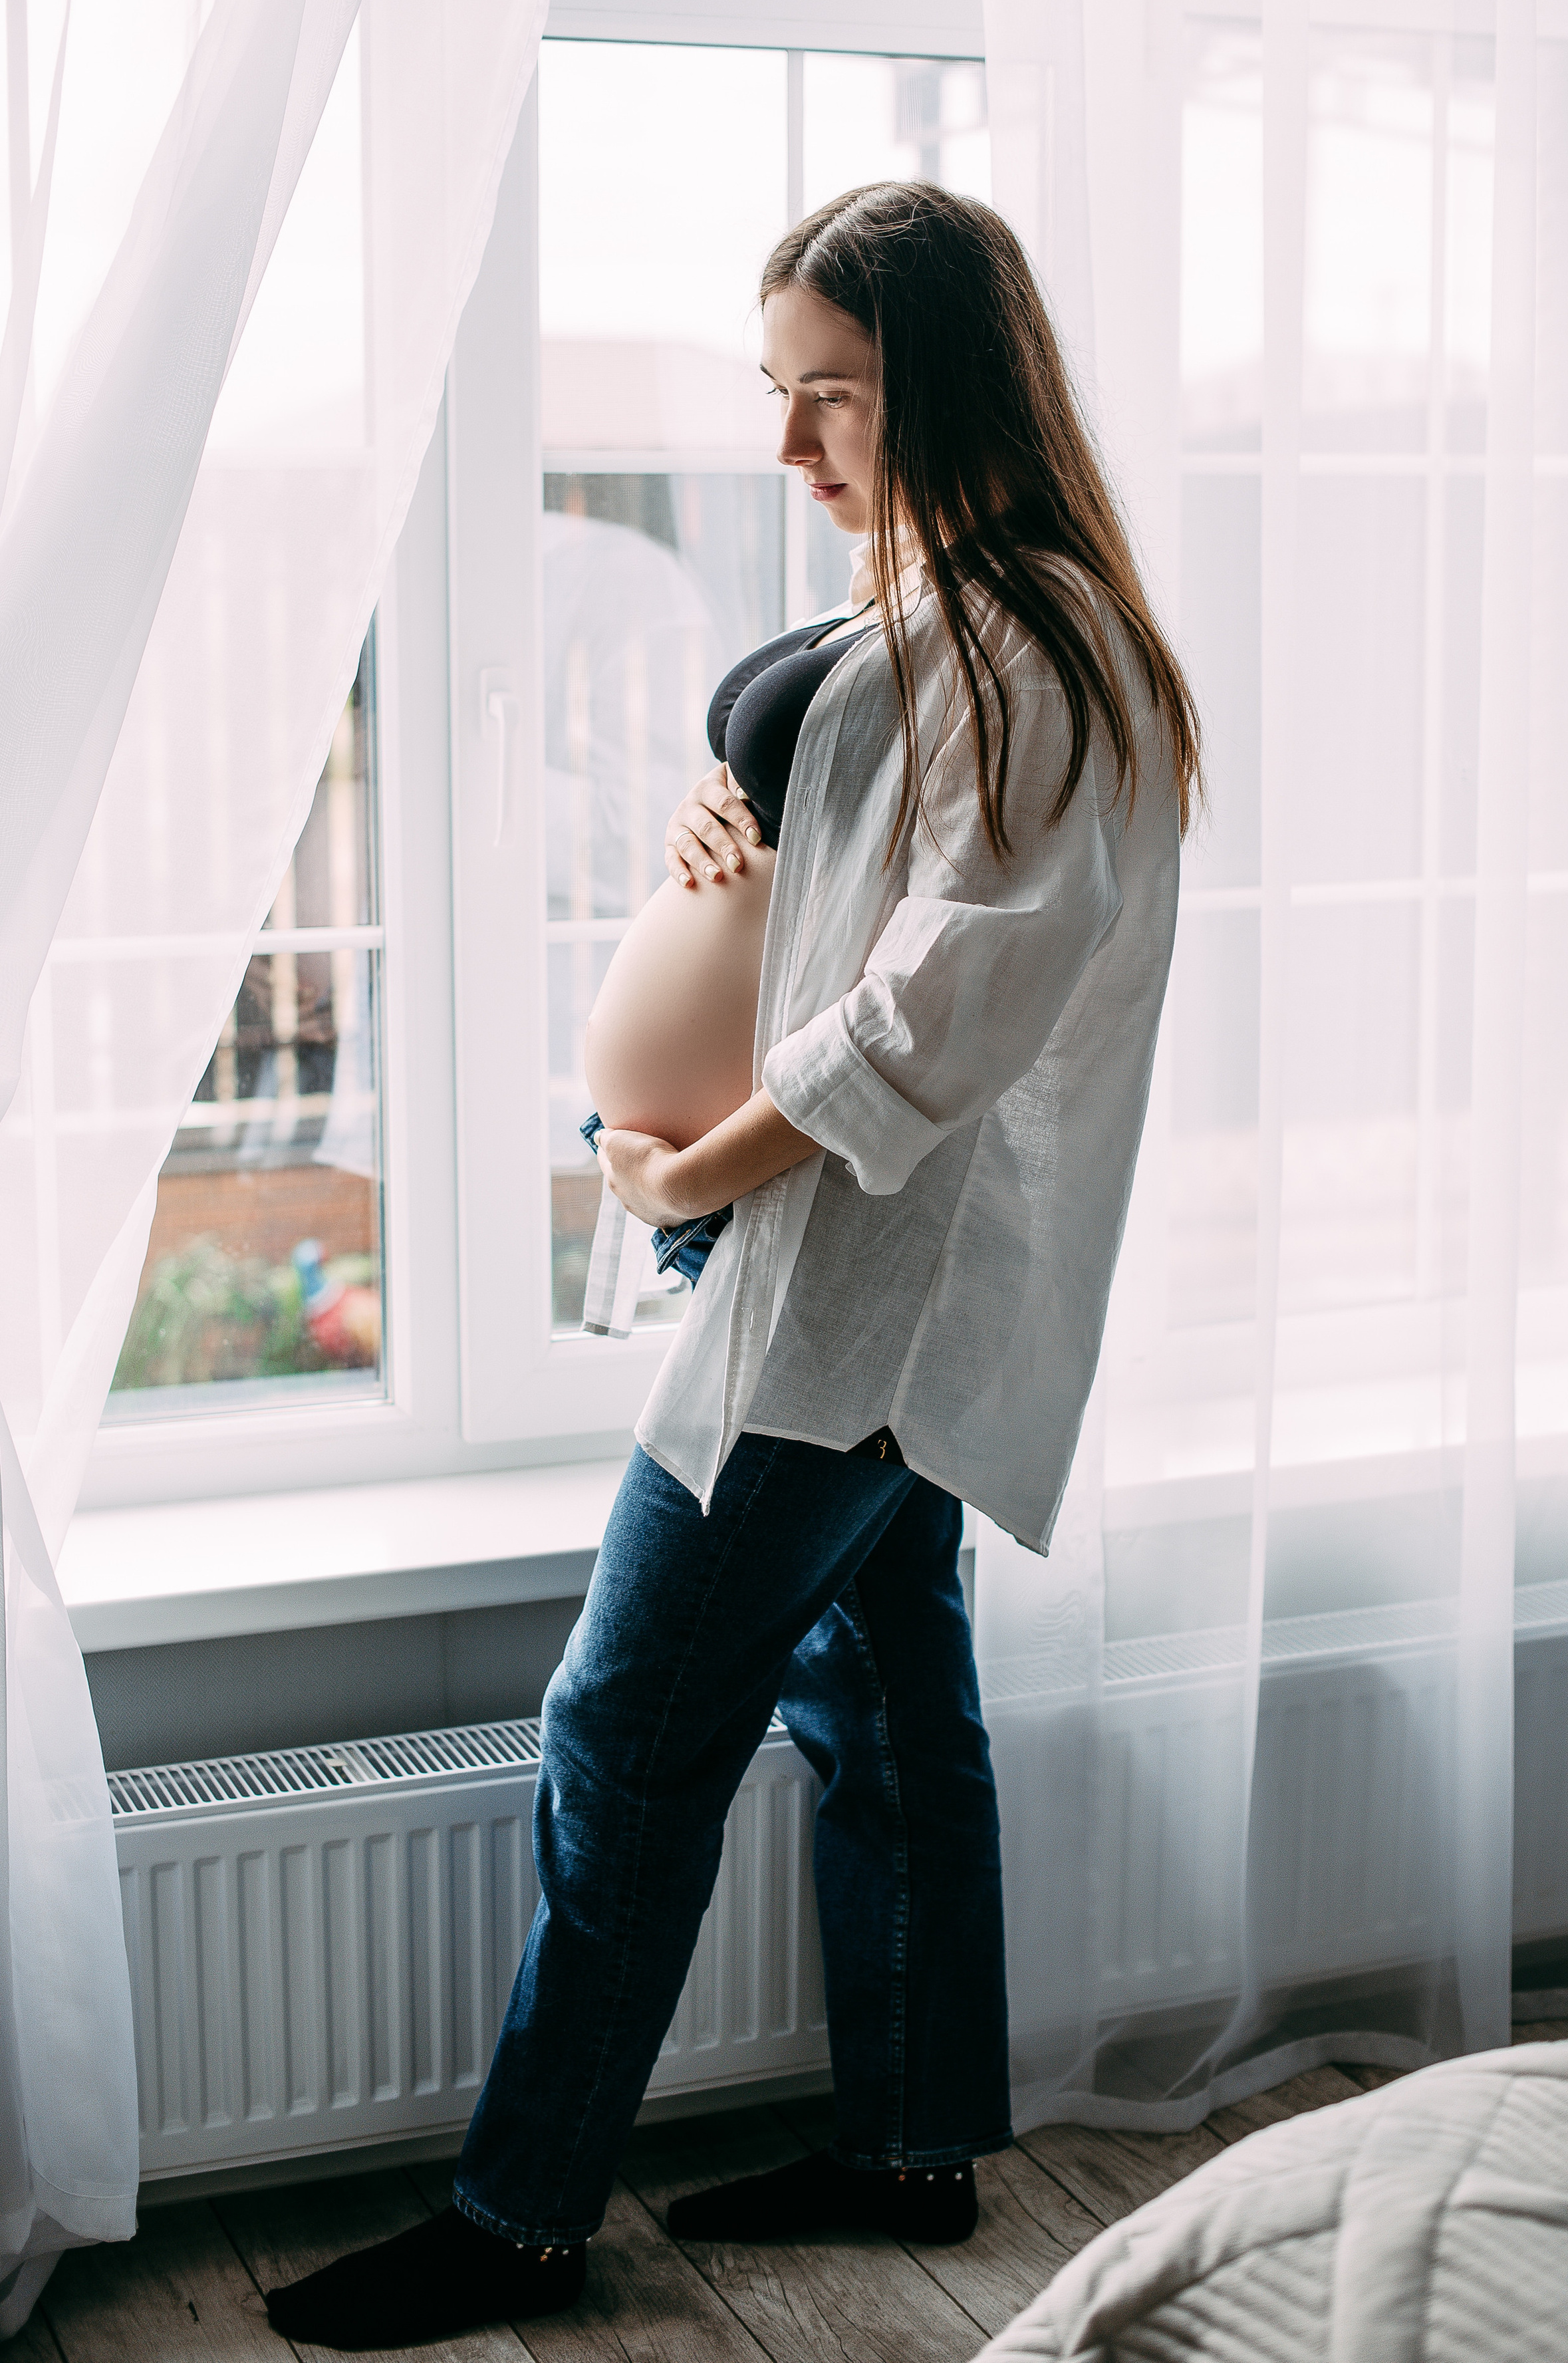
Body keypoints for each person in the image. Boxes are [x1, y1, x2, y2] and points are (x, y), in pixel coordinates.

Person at [263, 182, 1201, 2351]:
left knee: (621, 1731)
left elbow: (931, 1018)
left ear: (951, 390)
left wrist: (693, 1172)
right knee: (885, 1700)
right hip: (803, 1263)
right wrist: (729, 850)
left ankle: (516, 2217)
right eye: (777, 397)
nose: (789, 453)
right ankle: (908, 2147)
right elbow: (848, 908)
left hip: (851, 1292)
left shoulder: (1031, 642)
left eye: (835, 403)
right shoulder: (927, 602)